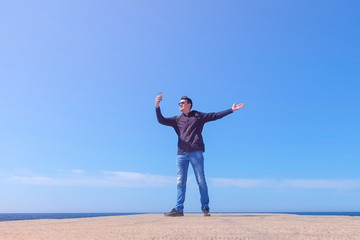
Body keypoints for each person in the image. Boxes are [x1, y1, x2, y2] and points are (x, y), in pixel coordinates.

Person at [155, 93, 245, 217]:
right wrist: (157, 105)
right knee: (180, 182)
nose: (180, 105)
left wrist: (231, 110)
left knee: (201, 181)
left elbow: (214, 116)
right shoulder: (177, 119)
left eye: (182, 103)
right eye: (179, 103)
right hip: (181, 154)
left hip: (196, 153)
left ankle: (205, 208)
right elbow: (161, 120)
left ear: (189, 105)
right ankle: (179, 209)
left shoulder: (197, 116)